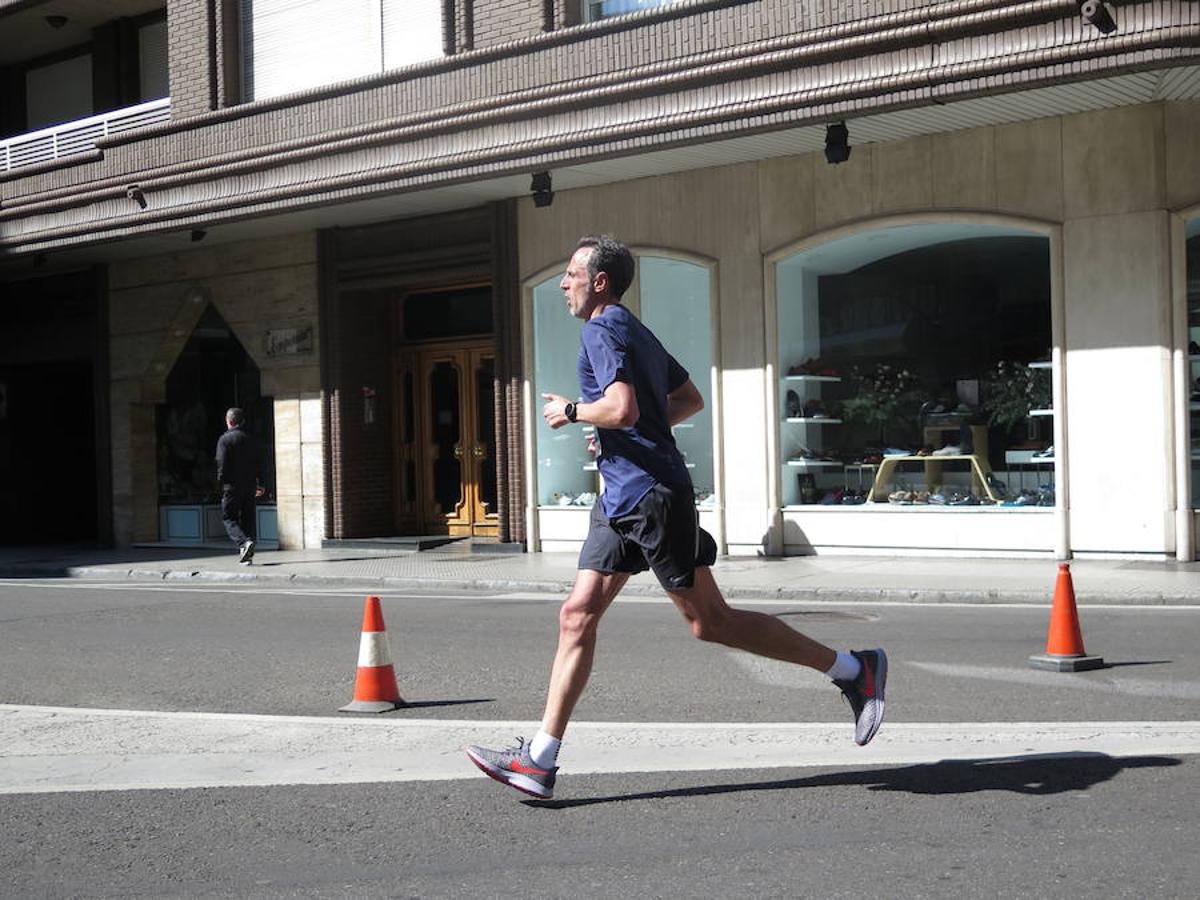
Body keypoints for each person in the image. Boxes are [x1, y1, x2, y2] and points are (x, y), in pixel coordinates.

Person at [466, 236, 888, 799]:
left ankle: (852, 671)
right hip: (619, 498)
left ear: (599, 282)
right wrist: (623, 429)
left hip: (651, 497)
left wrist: (573, 412)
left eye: (571, 274)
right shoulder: (633, 328)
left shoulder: (602, 328)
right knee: (576, 615)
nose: (563, 284)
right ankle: (540, 760)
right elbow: (687, 399)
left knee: (710, 622)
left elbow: (621, 407)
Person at [215, 407, 263, 564]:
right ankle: (246, 556)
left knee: (229, 518)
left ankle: (244, 543)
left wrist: (220, 483)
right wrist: (260, 482)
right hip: (249, 485)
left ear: (229, 421)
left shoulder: (225, 440)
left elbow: (222, 463)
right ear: (242, 421)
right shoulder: (251, 439)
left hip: (232, 486)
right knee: (248, 517)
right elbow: (259, 462)